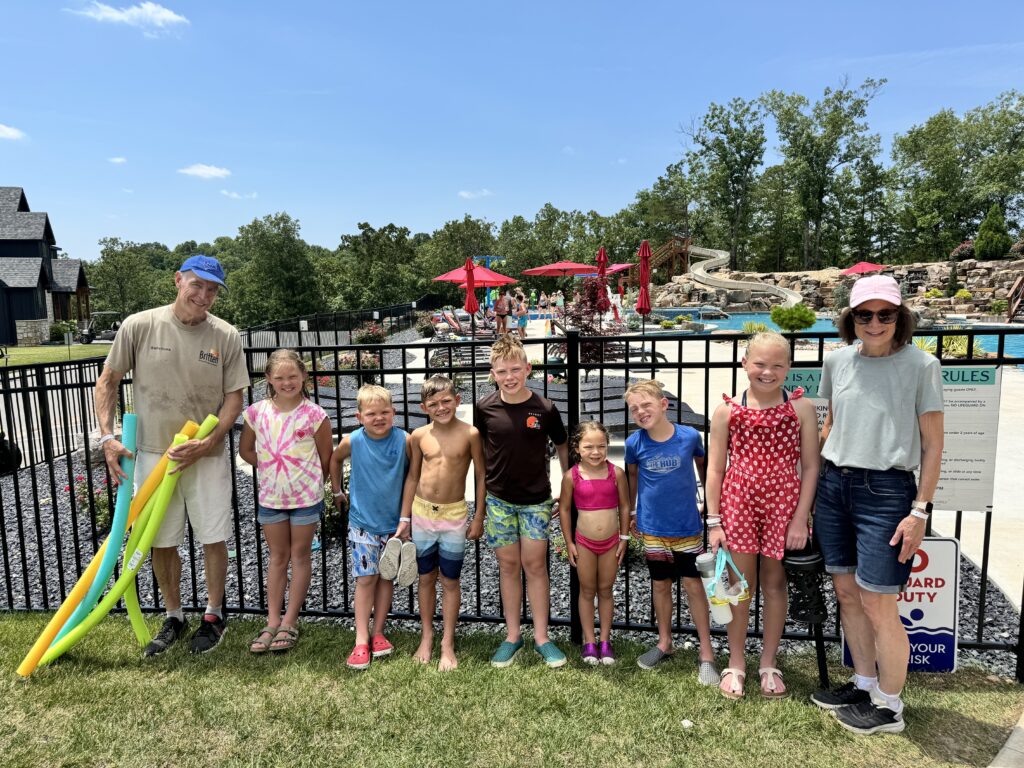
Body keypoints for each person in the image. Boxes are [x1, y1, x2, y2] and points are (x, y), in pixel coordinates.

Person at [95, 255, 248, 656]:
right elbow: (108, 380)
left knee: (213, 536)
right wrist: (107, 437)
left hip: (205, 455)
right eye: (197, 285)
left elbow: (234, 398)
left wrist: (209, 443)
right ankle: (174, 616)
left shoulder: (226, 335)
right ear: (178, 280)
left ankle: (213, 615)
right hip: (151, 453)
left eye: (212, 290)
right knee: (161, 541)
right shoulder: (140, 325)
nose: (204, 295)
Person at [810, 274, 943, 735]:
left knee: (879, 603)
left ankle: (889, 706)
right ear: (850, 319)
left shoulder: (922, 365)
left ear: (900, 317)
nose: (874, 323)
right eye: (864, 314)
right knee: (847, 592)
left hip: (886, 492)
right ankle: (864, 682)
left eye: (885, 314)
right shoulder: (837, 360)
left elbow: (933, 443)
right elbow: (830, 424)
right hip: (834, 485)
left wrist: (920, 510)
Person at [705, 332, 820, 698]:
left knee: (774, 584)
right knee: (739, 586)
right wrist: (714, 520)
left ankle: (769, 662)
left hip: (783, 504)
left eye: (777, 365)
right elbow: (715, 469)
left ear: (789, 368)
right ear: (744, 364)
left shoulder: (801, 408)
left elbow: (811, 466)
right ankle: (736, 662)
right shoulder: (726, 411)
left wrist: (800, 518)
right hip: (738, 502)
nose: (767, 372)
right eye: (759, 363)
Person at [474, 335, 569, 668]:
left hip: (536, 501)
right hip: (499, 500)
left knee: (536, 565)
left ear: (528, 369)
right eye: (502, 371)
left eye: (515, 369)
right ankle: (512, 636)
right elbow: (480, 451)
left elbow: (562, 445)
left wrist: (567, 485)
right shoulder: (484, 408)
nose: (509, 376)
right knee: (508, 566)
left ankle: (542, 637)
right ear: (493, 374)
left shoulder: (545, 408)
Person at [624, 379, 719, 684]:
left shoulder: (689, 436)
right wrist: (632, 513)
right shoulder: (634, 443)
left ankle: (706, 652)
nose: (641, 412)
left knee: (693, 586)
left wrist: (710, 505)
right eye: (634, 408)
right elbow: (632, 479)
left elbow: (706, 468)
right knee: (660, 585)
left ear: (664, 404)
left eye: (646, 405)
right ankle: (665, 642)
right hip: (652, 528)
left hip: (686, 527)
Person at [239, 349, 333, 654]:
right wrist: (272, 465)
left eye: (293, 376)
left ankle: (290, 621)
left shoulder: (315, 415)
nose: (287, 382)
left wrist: (309, 478)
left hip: (305, 497)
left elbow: (326, 457)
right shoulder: (256, 413)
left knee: (300, 556)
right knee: (278, 557)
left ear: (303, 375)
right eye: (279, 377)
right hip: (271, 497)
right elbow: (245, 450)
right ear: (268, 378)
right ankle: (272, 620)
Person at [398, 375, 486, 671]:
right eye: (433, 404)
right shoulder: (418, 436)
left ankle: (447, 642)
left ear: (457, 400)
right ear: (424, 408)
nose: (441, 407)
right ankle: (427, 636)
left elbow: (481, 476)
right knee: (425, 577)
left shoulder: (470, 434)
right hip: (422, 513)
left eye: (446, 401)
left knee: (450, 580)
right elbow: (412, 477)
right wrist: (405, 517)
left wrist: (479, 515)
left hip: (454, 515)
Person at [329, 384, 412, 670]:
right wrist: (337, 490)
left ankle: (378, 632)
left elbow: (415, 476)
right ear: (359, 416)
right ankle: (361, 638)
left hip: (393, 525)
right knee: (366, 580)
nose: (379, 418)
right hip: (363, 524)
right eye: (371, 414)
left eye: (384, 412)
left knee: (386, 578)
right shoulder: (353, 440)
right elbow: (334, 459)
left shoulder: (404, 440)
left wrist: (408, 517)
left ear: (394, 412)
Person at [557, 421, 630, 664]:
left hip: (611, 543)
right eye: (589, 447)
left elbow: (625, 506)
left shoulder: (616, 473)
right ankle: (589, 641)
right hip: (584, 543)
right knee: (587, 591)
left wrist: (624, 538)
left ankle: (605, 641)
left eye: (601, 446)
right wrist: (569, 542)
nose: (596, 452)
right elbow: (564, 509)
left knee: (606, 590)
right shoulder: (572, 476)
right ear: (577, 448)